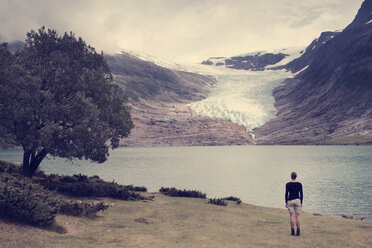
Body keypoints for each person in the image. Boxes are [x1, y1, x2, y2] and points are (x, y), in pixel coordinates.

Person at [285, 172, 303, 236]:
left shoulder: (288, 184)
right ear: (296, 176)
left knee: (292, 216)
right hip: (297, 200)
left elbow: (286, 194)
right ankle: (298, 231)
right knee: (298, 216)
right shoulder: (299, 184)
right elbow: (301, 194)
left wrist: (286, 202)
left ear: (291, 176)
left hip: (290, 200)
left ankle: (292, 231)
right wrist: (301, 202)